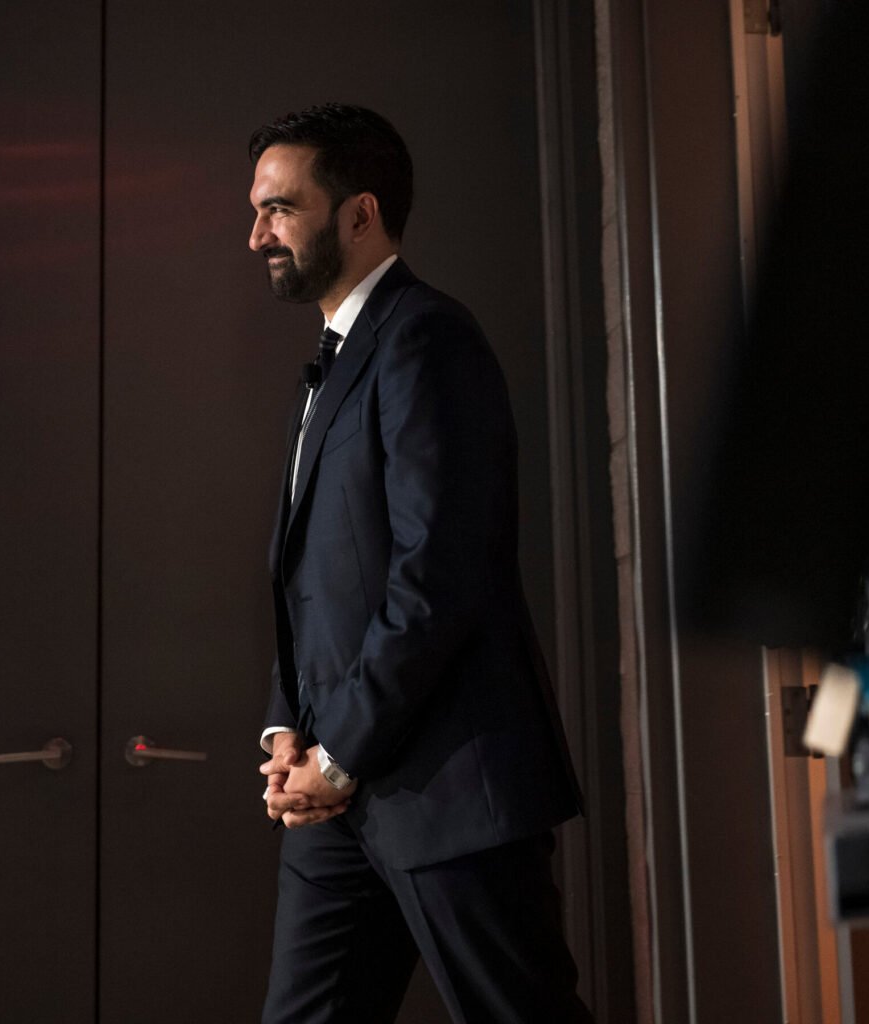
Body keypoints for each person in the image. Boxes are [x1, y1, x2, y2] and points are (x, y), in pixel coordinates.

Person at [249, 103, 592, 1024]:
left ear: (360, 214)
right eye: (258, 211)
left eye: (280, 209)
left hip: (446, 788)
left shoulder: (428, 338)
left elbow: (439, 576)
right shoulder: (331, 359)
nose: (258, 236)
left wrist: (341, 755)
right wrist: (287, 733)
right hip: (333, 796)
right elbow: (313, 582)